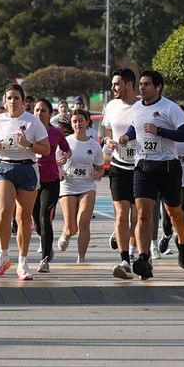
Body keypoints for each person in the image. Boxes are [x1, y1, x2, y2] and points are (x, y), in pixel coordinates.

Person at [120, 69, 184, 280]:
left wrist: (159, 131)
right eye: (141, 84)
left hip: (168, 168)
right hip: (144, 167)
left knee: (174, 213)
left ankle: (183, 244)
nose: (142, 88)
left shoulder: (170, 108)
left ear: (158, 87)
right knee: (143, 214)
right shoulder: (136, 108)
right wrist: (127, 136)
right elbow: (136, 128)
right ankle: (144, 258)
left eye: (147, 84)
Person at [0, 83, 50, 280]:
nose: (12, 102)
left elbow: (46, 149)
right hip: (4, 166)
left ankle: (22, 261)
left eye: (16, 98)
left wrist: (28, 144)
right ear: (4, 101)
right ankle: (3, 255)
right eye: (9, 98)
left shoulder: (32, 122)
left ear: (23, 101)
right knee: (3, 211)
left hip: (27, 168)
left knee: (23, 218)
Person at [101, 67, 141, 278]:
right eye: (112, 84)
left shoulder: (142, 106)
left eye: (117, 84)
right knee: (121, 214)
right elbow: (107, 131)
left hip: (140, 167)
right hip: (118, 166)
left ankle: (135, 251)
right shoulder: (111, 106)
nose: (113, 88)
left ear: (128, 84)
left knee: (138, 215)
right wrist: (108, 140)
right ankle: (124, 259)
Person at [59, 106, 104, 263]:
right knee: (72, 227)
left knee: (83, 222)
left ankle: (81, 258)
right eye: (75, 121)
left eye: (81, 121)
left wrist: (98, 174)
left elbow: (100, 169)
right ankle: (66, 232)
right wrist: (60, 170)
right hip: (68, 186)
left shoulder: (94, 146)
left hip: (87, 186)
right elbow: (56, 163)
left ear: (87, 123)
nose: (78, 124)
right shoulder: (65, 142)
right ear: (71, 124)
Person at [31, 98, 69, 273]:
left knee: (45, 217)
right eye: (37, 110)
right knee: (37, 224)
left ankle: (44, 259)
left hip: (50, 181)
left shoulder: (56, 133)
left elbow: (67, 149)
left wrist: (65, 157)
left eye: (43, 110)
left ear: (50, 114)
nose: (39, 113)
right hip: (32, 181)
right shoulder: (27, 132)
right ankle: (47, 244)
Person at [158, 118, 184, 259]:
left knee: (183, 213)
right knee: (168, 217)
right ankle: (167, 234)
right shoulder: (166, 133)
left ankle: (183, 245)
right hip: (169, 179)